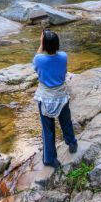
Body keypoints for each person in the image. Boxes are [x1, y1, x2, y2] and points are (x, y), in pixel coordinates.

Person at [33, 29, 77, 168]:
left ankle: (50, 159)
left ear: (44, 45)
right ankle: (72, 142)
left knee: (48, 129)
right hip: (61, 95)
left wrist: (41, 43)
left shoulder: (39, 59)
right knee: (66, 121)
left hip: (45, 97)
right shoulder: (64, 56)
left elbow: (36, 63)